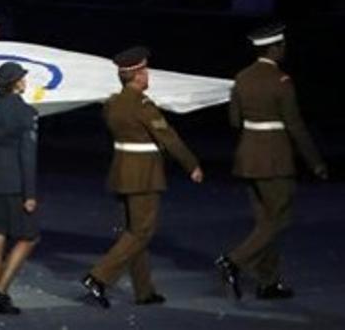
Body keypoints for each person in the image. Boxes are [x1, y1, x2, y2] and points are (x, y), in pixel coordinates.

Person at [82, 47, 203, 309]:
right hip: (143, 174)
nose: (148, 74)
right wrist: (191, 164)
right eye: (145, 70)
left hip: (121, 170)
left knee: (133, 231)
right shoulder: (143, 106)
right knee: (142, 232)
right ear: (136, 75)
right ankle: (99, 277)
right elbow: (168, 137)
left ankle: (144, 290)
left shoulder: (112, 103)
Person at [216, 24, 328, 301]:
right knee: (279, 219)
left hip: (248, 156)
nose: (285, 49)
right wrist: (315, 161)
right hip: (274, 158)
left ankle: (268, 282)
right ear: (274, 48)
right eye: (282, 45)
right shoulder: (281, 81)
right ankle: (233, 261)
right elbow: (295, 124)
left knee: (264, 222)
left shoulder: (241, 78)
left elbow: (234, 120)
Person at [0, 62, 39, 315]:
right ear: (15, 83)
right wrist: (30, 193)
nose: (25, 81)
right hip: (15, 181)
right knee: (29, 236)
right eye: (23, 78)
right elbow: (28, 155)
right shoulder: (27, 112)